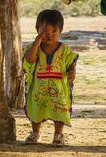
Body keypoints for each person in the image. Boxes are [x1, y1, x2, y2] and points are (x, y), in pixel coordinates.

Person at [23, 9, 78, 146]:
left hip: (58, 87)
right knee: (36, 109)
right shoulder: (32, 47)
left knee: (59, 110)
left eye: (54, 31)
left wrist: (72, 72)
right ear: (37, 29)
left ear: (60, 31)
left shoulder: (64, 48)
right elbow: (29, 60)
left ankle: (58, 135)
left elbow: (71, 62)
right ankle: (35, 133)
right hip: (38, 87)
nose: (50, 35)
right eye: (45, 31)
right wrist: (36, 43)